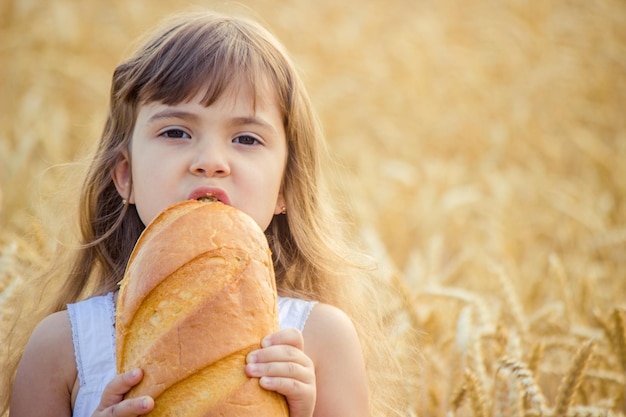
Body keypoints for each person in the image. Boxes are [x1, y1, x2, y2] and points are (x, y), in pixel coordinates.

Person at [6, 9, 411, 417]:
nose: (211, 161)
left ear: (284, 188)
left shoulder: (319, 341)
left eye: (246, 138)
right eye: (176, 132)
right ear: (125, 175)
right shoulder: (61, 347)